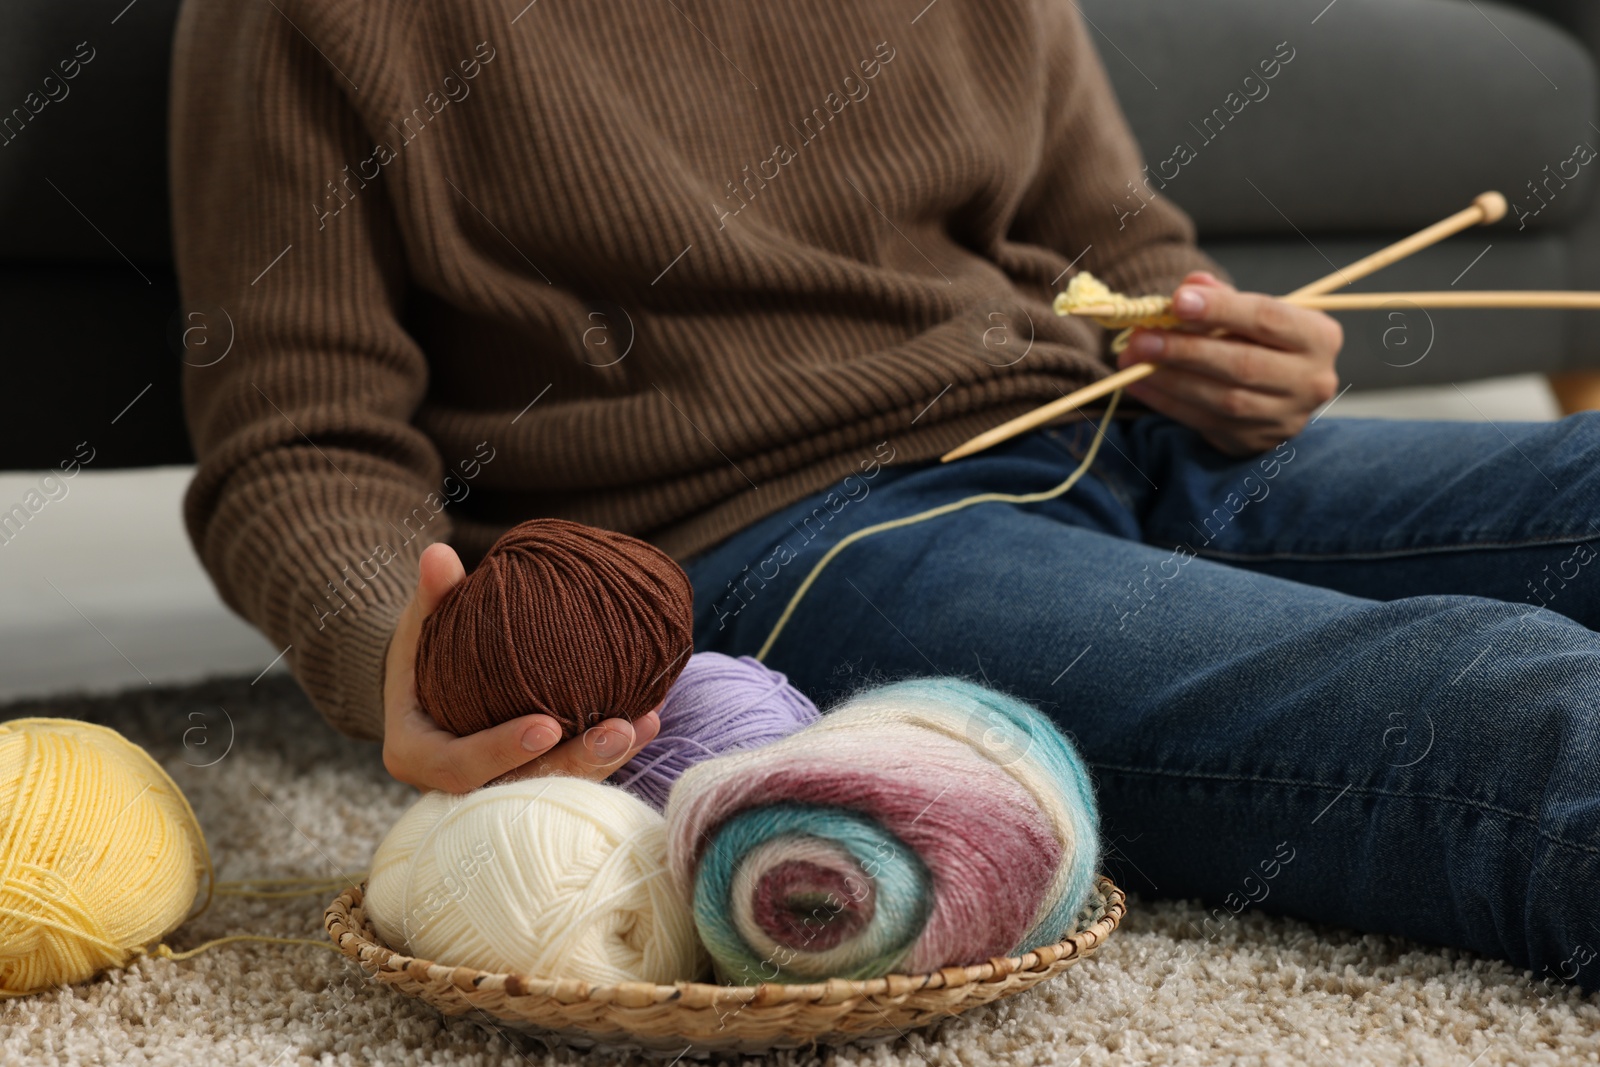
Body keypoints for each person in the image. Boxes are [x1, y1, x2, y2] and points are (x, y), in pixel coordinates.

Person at [169, 0, 1600, 989]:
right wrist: (397, 650)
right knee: (1515, 704)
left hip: (1120, 422)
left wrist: (1218, 337)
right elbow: (298, 437)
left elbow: (1117, 243)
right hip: (782, 536)